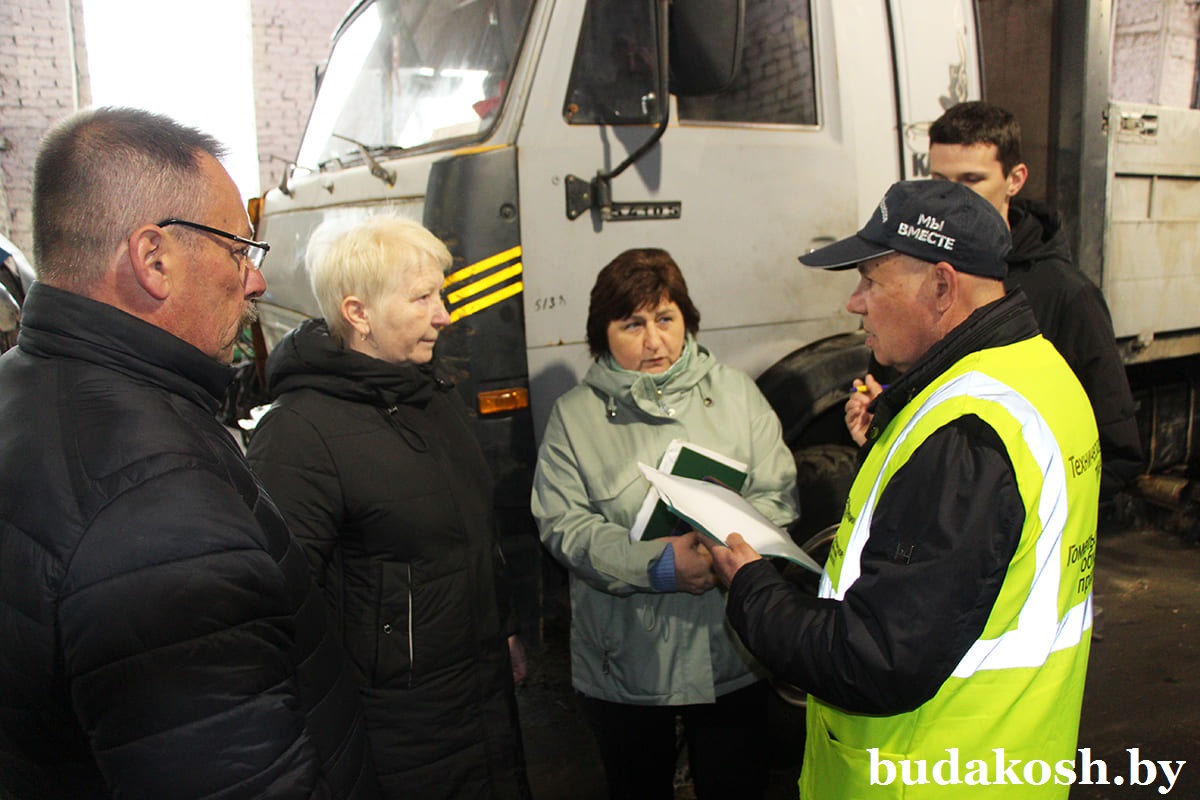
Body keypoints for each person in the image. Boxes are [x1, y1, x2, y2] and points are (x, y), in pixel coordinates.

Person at [0, 107, 378, 798]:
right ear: (153, 260)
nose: (256, 280)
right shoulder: (159, 510)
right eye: (238, 250)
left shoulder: (21, 386)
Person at [713, 180, 1101, 799]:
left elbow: (874, 659)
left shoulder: (965, 437)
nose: (854, 303)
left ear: (942, 287)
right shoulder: (1037, 375)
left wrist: (752, 589)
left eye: (870, 280)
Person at [245, 215, 531, 799]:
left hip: (481, 701)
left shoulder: (432, 396)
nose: (443, 315)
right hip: (396, 733)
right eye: (422, 298)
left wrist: (502, 630)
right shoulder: (299, 434)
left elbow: (473, 539)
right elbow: (280, 609)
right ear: (359, 313)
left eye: (440, 296)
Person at [531, 248, 800, 800]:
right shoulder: (575, 417)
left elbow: (777, 493)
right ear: (603, 334)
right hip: (626, 662)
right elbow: (563, 525)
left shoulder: (736, 394)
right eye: (632, 324)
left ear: (687, 320)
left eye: (665, 318)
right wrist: (658, 567)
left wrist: (728, 553)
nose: (654, 341)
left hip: (729, 649)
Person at [849, 101, 1142, 503]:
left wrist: (999, 512)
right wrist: (880, 416)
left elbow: (1115, 453)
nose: (952, 197)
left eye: (971, 180)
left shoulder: (1067, 295)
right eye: (939, 179)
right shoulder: (910, 275)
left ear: (1015, 179)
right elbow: (899, 395)